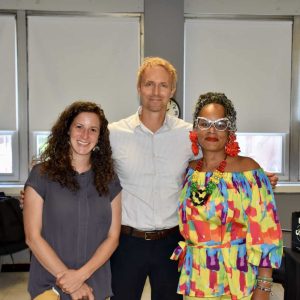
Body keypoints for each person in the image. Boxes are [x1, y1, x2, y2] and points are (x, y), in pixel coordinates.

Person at [108, 57, 279, 300]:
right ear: (138, 88)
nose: (156, 92)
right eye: (149, 84)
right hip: (129, 242)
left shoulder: (188, 133)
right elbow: (87, 159)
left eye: (163, 85)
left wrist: (259, 179)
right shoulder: (114, 133)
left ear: (172, 90)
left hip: (173, 244)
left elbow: (226, 162)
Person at [171, 92, 283, 300]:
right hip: (197, 280)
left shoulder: (248, 171)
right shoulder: (189, 170)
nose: (212, 130)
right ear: (195, 130)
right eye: (204, 123)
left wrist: (264, 285)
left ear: (229, 131)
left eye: (220, 124)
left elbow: (266, 232)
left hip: (238, 281)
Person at [23, 101, 122, 300]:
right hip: (49, 282)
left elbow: (113, 237)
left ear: (99, 137)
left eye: (93, 129)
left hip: (95, 284)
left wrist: (80, 276)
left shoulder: (109, 179)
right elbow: (32, 237)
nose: (85, 136)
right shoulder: (41, 175)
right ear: (67, 130)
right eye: (79, 127)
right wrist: (70, 281)